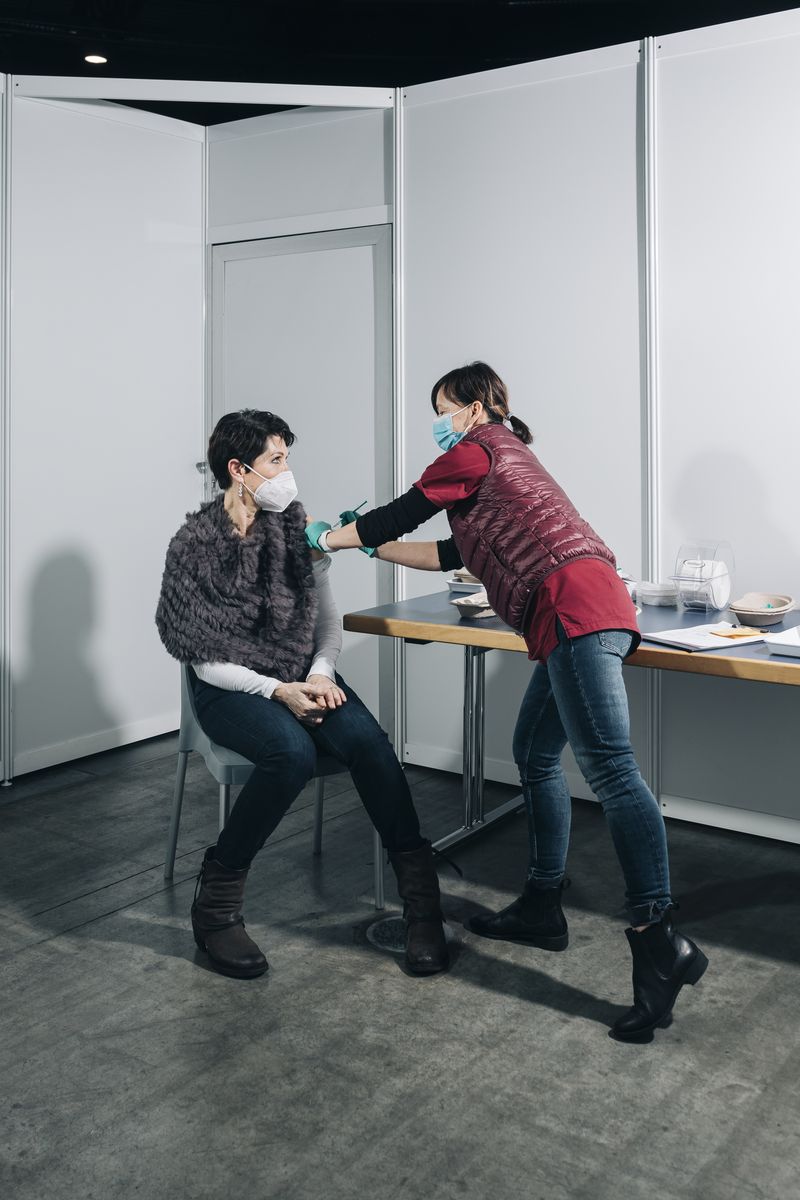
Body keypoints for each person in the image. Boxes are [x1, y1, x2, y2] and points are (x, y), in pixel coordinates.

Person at [308, 362, 708, 1042]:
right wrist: (371, 548)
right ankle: (542, 904)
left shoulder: (478, 447)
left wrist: (330, 539)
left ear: (473, 407)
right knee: (535, 753)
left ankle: (658, 937)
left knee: (612, 772)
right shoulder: (504, 462)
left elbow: (402, 511)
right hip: (575, 611)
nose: (438, 423)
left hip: (573, 609)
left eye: (443, 409)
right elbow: (449, 552)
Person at [155, 409, 448, 980]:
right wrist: (277, 690)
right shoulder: (194, 546)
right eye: (276, 460)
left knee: (369, 743)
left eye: (288, 457)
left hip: (301, 671)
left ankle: (422, 906)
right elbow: (204, 658)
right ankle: (215, 910)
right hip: (229, 685)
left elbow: (327, 623)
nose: (288, 471)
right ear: (239, 469)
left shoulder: (296, 529)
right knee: (289, 754)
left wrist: (320, 674)